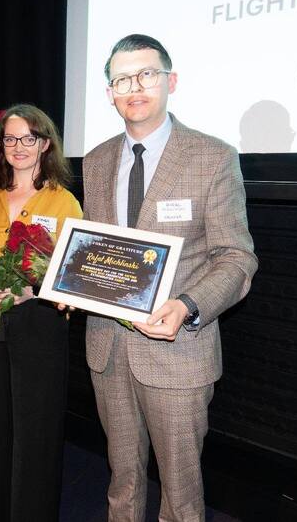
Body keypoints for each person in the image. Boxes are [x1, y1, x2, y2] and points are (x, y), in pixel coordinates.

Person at [79, 35, 258, 521]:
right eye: (121, 79)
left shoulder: (212, 157)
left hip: (178, 351)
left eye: (146, 75)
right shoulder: (94, 162)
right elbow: (98, 253)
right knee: (122, 479)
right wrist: (74, 285)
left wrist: (187, 306)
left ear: (169, 81)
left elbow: (237, 258)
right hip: (108, 347)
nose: (133, 87)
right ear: (109, 92)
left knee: (180, 492)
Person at [0, 104, 83, 521]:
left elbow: (76, 272)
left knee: (37, 432)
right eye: (10, 139)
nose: (19, 147)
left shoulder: (63, 201)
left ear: (45, 144)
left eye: (29, 138)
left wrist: (35, 288)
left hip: (39, 324)